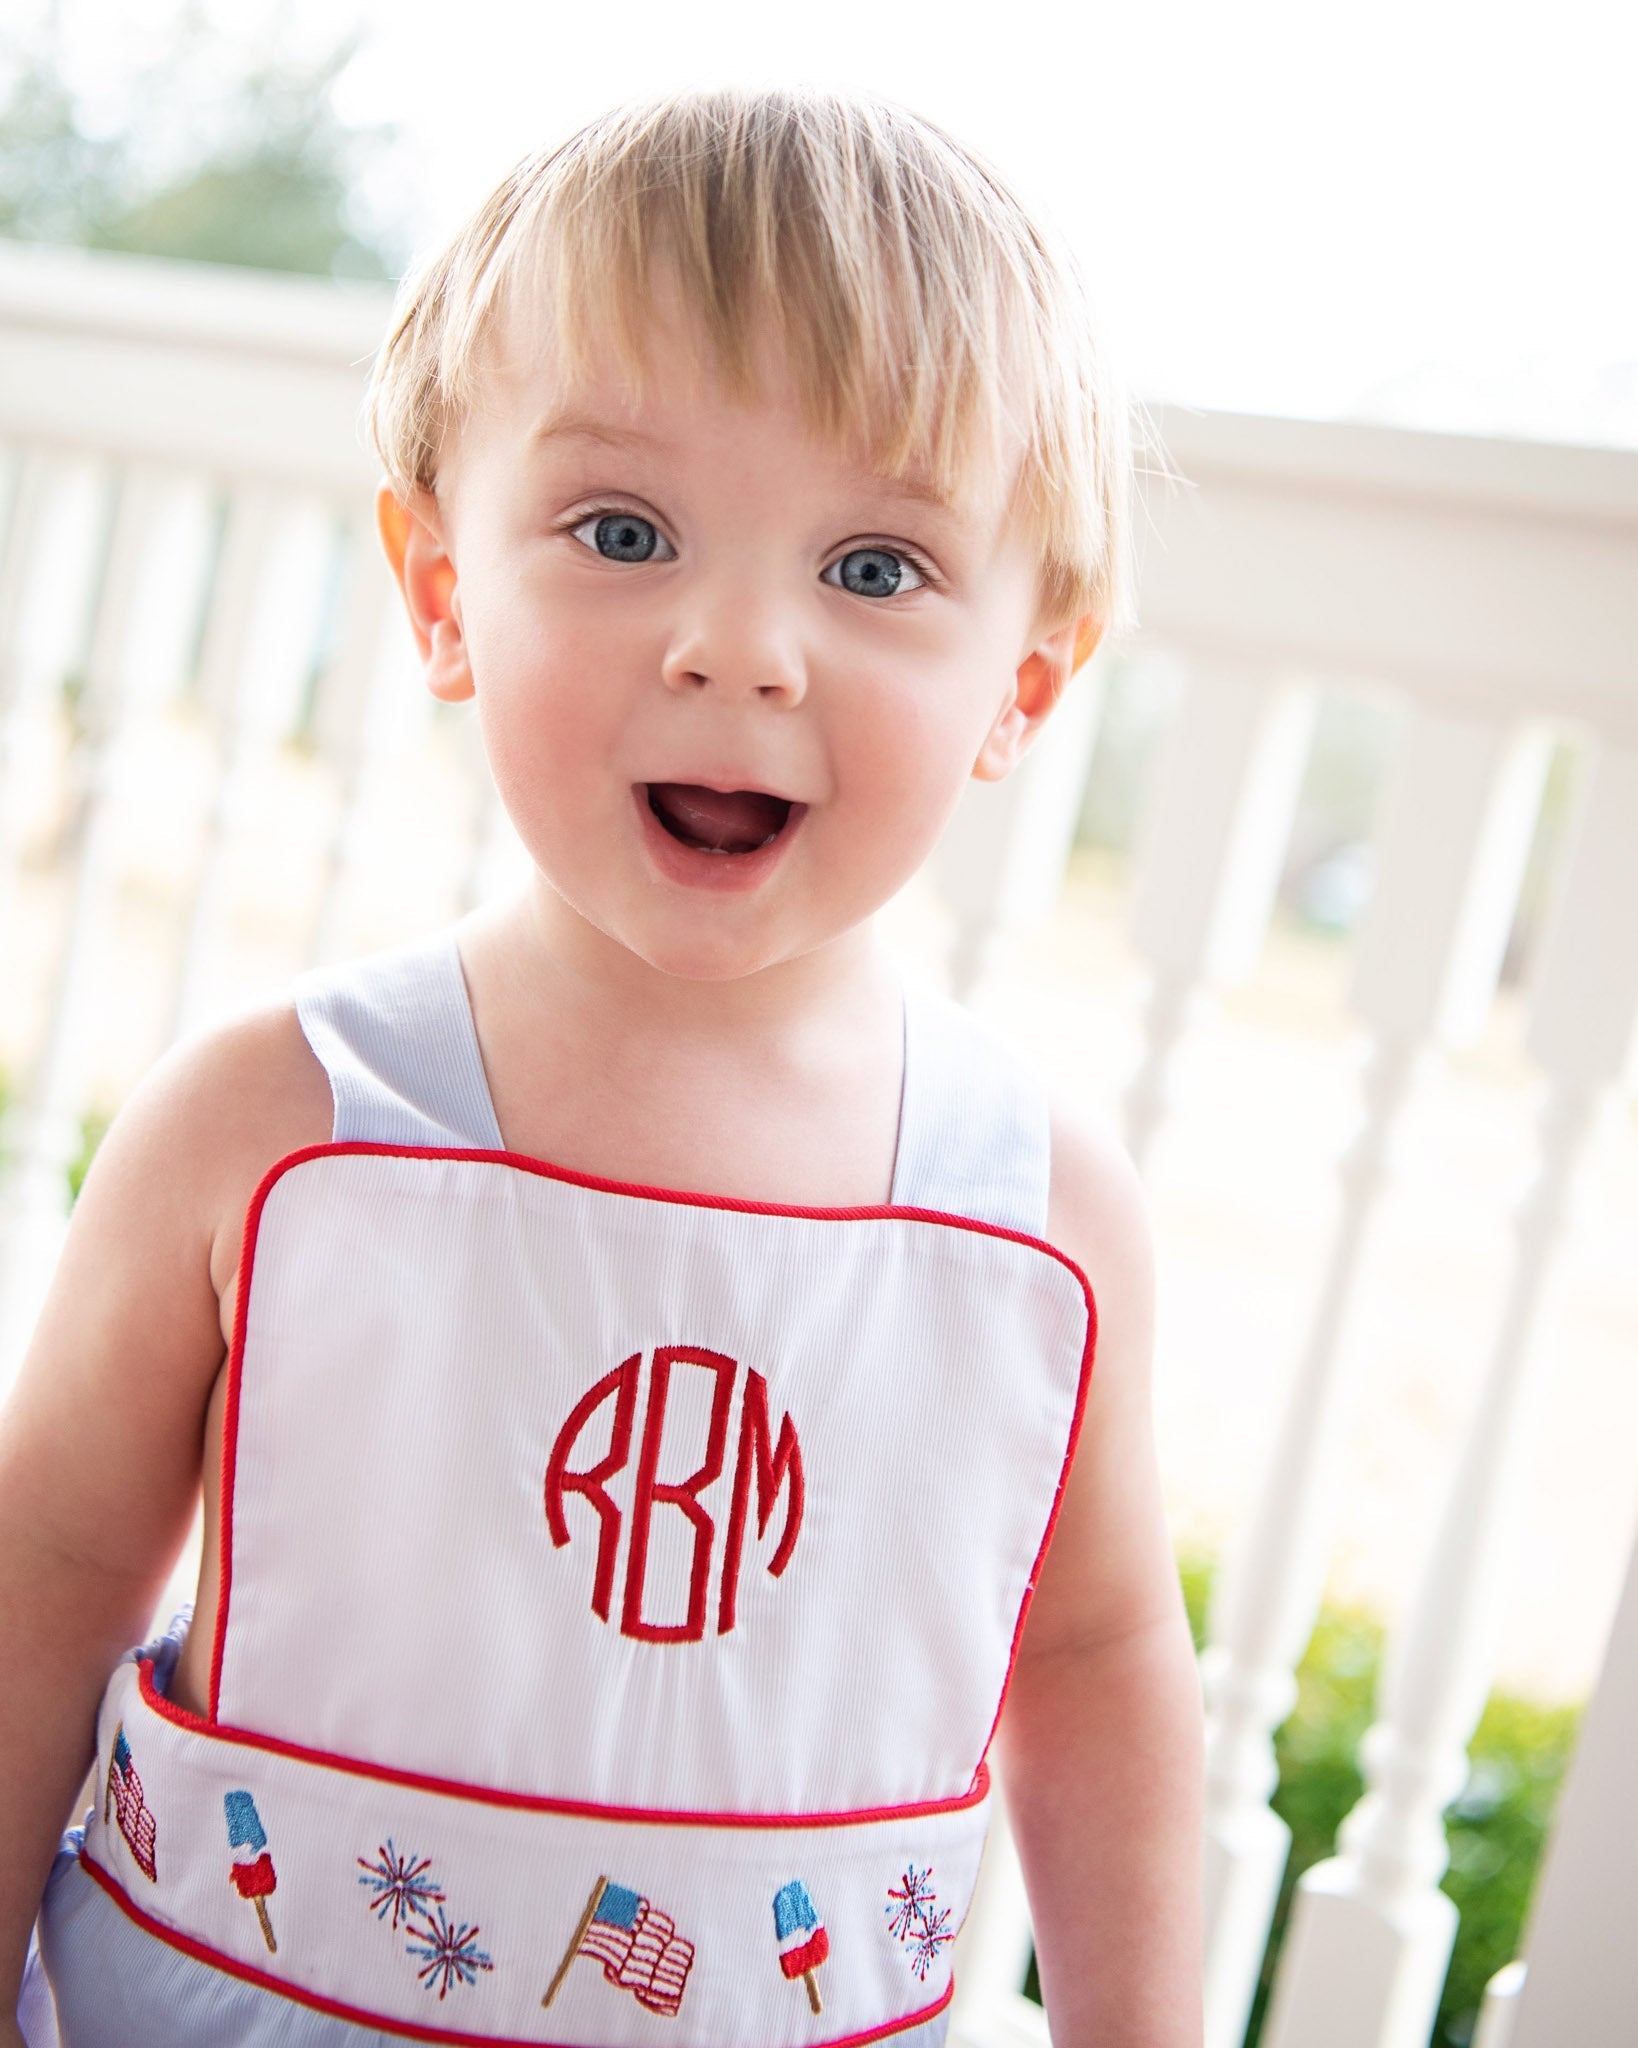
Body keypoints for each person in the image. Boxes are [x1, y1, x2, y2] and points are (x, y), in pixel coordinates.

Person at [0, 87, 1202, 2047]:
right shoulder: (273, 1127)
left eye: (878, 568)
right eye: (624, 532)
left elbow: (1093, 1657)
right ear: (442, 591)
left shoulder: (1039, 1222)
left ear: (1026, 686)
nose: (740, 649)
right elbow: (39, 1566)